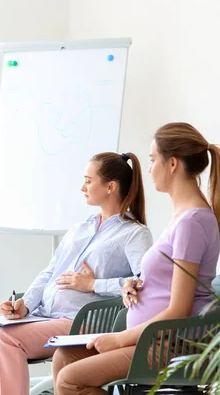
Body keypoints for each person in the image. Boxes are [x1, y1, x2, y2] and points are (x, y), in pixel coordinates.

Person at [53, 123, 220, 394]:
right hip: (152, 338)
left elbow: (178, 309)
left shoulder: (192, 221)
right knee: (64, 357)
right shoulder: (183, 217)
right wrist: (136, 284)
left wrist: (119, 339)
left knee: (70, 380)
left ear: (173, 164)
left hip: (168, 343)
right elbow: (168, 280)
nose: (150, 168)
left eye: (154, 160)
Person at [0, 152, 154, 395]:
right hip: (44, 315)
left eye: (89, 181)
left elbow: (143, 283)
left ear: (110, 187)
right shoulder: (80, 228)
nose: (83, 187)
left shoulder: (134, 233)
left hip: (80, 320)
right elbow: (50, 271)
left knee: (6, 339)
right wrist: (24, 305)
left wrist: (93, 284)